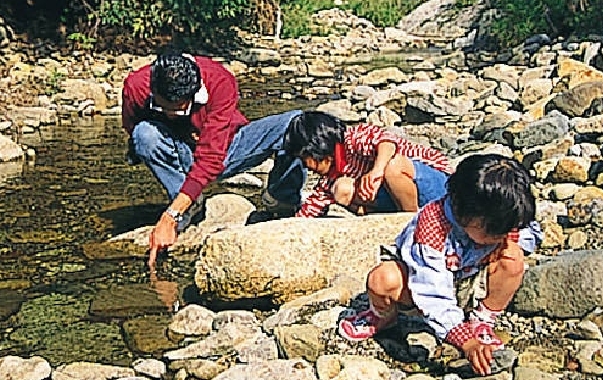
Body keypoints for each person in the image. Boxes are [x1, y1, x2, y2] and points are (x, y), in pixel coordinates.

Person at [337, 153, 543, 376]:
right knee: (382, 279)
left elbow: (530, 232)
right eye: (495, 233)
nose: (502, 235)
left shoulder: (500, 214)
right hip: (420, 287)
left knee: (513, 257)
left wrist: (505, 241)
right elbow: (431, 291)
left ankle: (482, 319)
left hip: (468, 279)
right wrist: (463, 339)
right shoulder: (432, 229)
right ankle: (383, 316)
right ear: (465, 216)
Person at [122, 51, 306, 269]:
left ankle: (281, 199)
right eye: (164, 109)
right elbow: (133, 129)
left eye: (180, 110)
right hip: (181, 152)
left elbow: (211, 159)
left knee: (297, 123)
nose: (171, 115)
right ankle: (188, 202)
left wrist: (168, 217)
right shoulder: (135, 87)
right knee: (144, 135)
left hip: (226, 146)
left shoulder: (220, 80)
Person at [283, 111, 452, 217]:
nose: (306, 166)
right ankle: (391, 220)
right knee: (342, 189)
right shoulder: (330, 177)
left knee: (392, 166)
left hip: (437, 186)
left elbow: (387, 142)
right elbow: (311, 209)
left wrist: (376, 172)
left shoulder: (353, 137)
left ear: (316, 148)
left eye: (305, 158)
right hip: (399, 199)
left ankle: (411, 221)